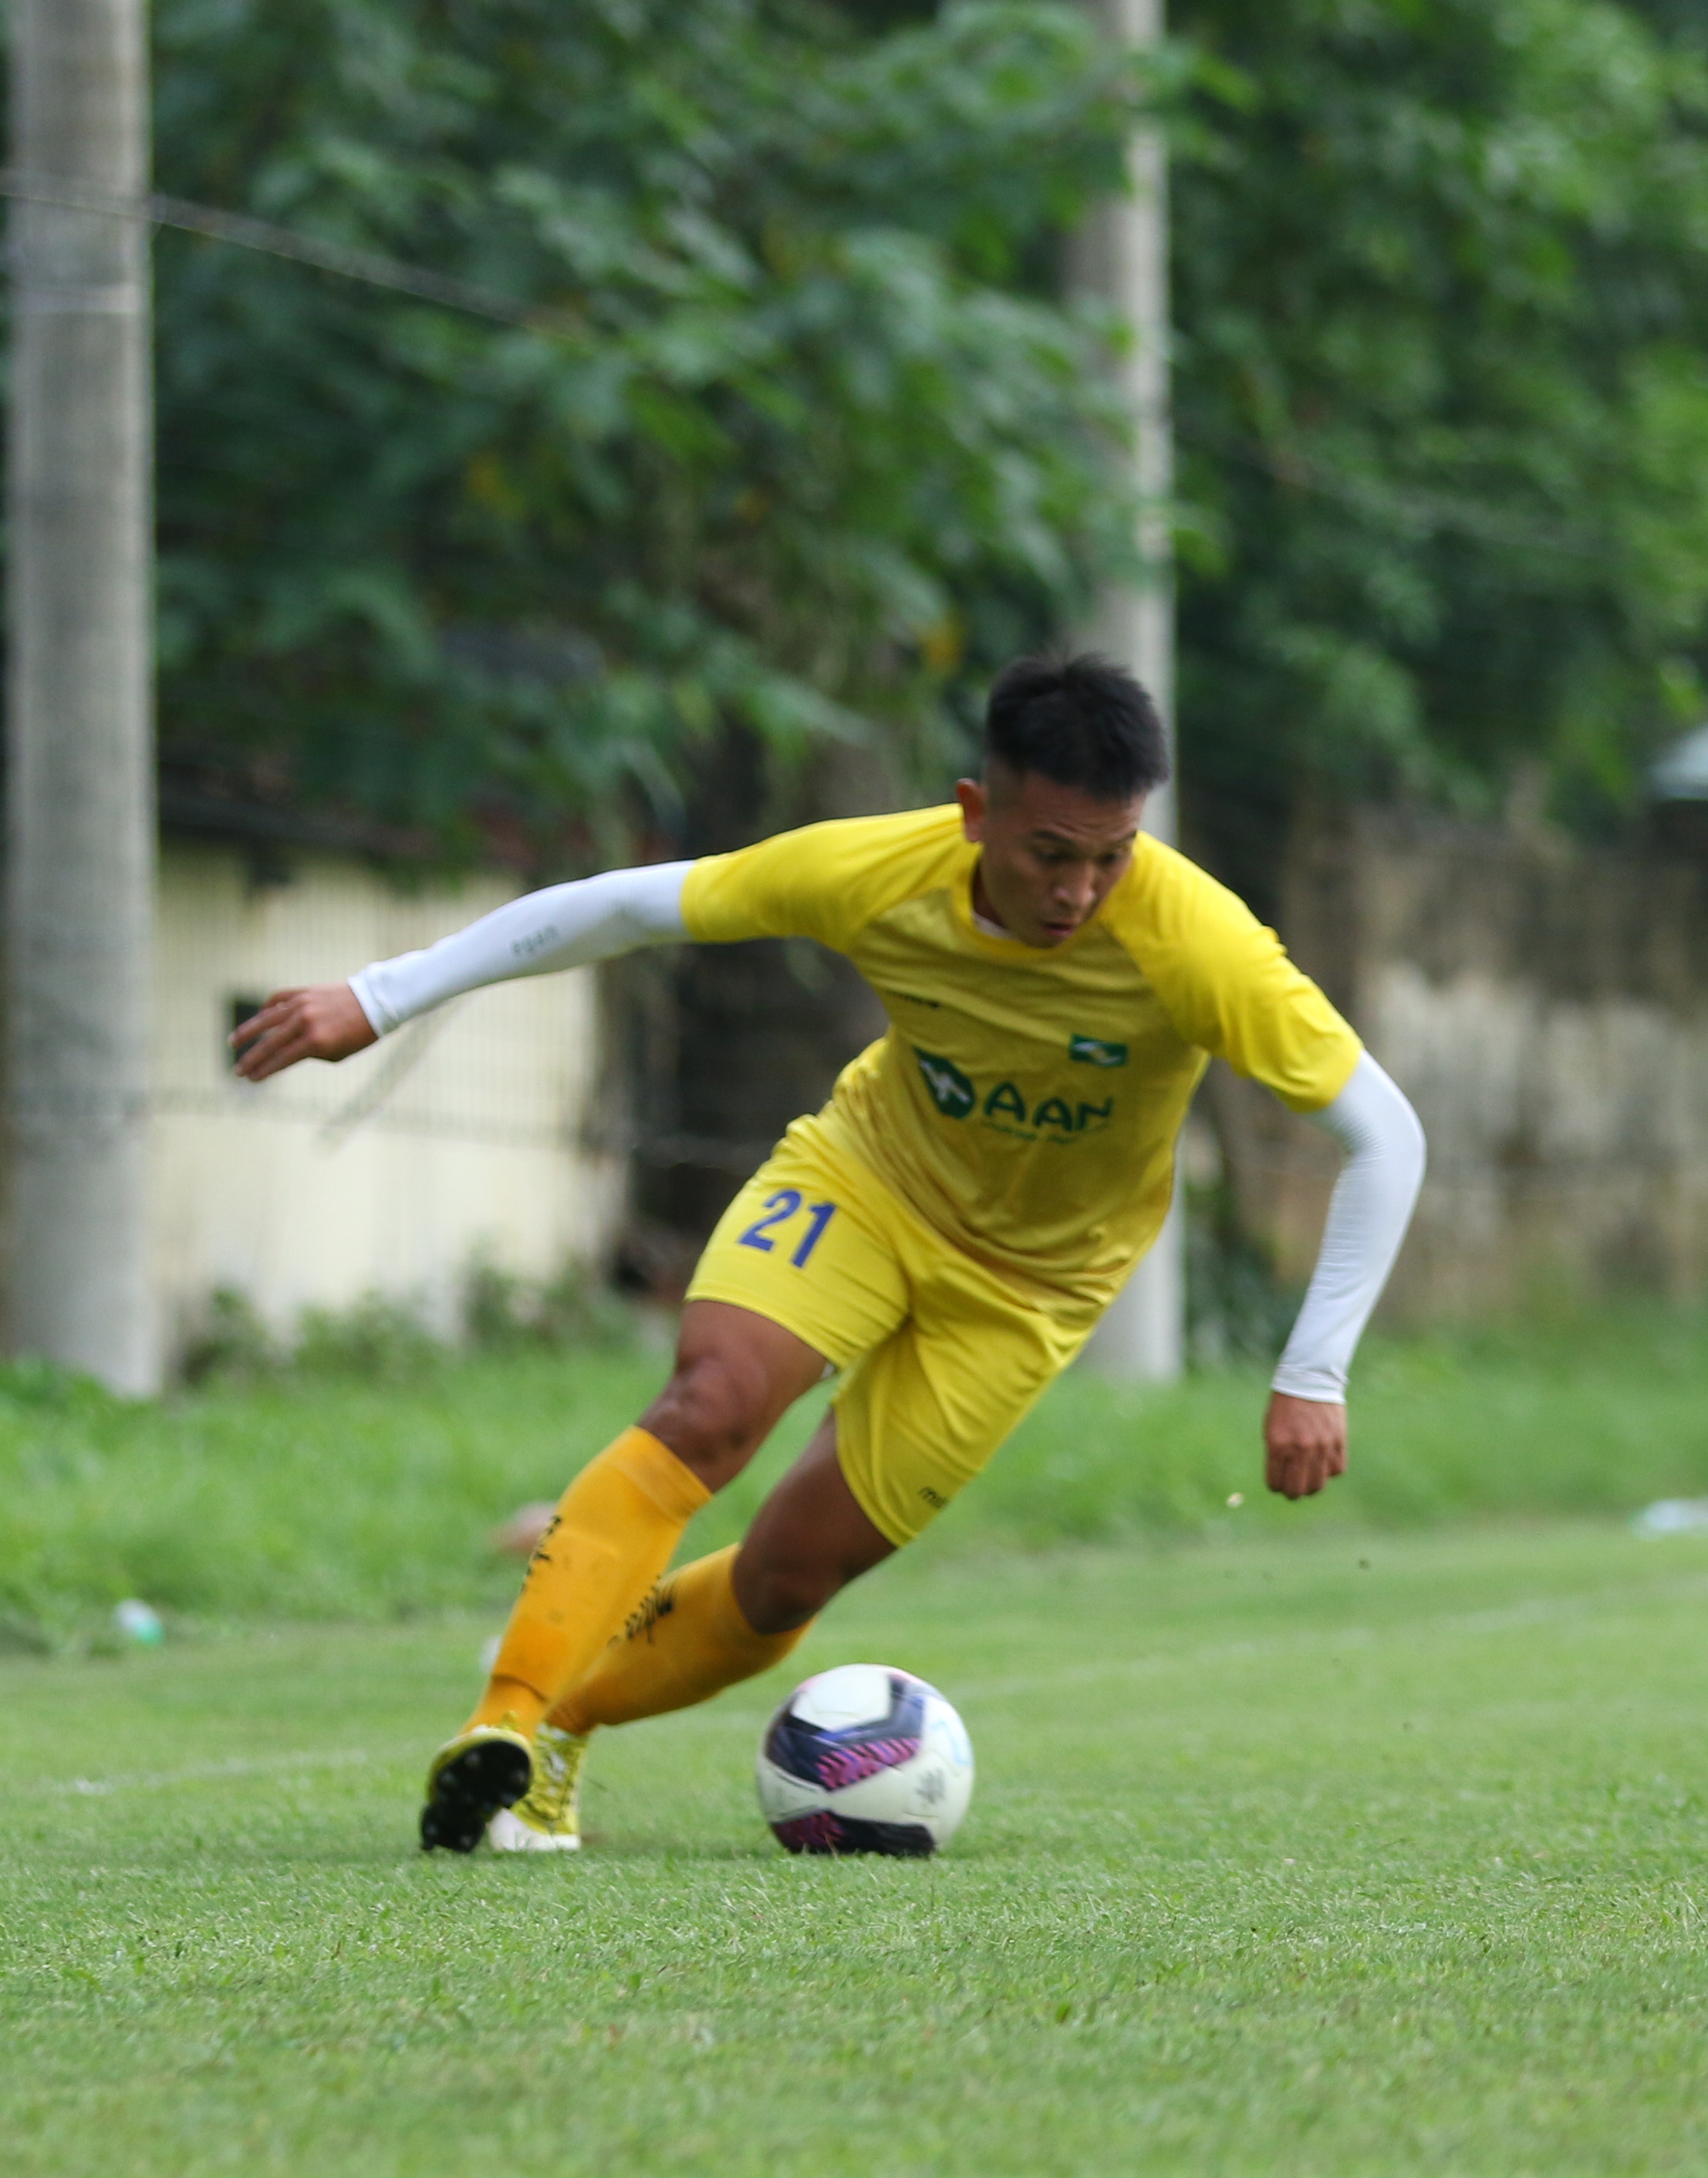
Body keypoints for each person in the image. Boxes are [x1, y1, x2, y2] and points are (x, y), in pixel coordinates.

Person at [229, 654, 1428, 1852]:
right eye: (1049, 853)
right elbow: (628, 906)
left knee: (792, 1576)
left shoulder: (1199, 944)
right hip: (866, 1185)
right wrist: (383, 996)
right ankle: (506, 1719)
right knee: (710, 1405)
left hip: (1032, 1292)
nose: (1080, 890)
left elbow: (1385, 1137)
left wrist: (1312, 1372)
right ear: (974, 812)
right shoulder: (873, 871)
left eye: (1112, 856)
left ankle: (561, 1731)